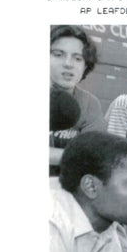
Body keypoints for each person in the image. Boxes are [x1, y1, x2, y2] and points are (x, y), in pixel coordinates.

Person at [49, 25, 105, 167]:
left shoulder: (90, 104)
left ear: (85, 66)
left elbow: (94, 154)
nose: (68, 64)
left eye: (78, 58)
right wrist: (75, 157)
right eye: (58, 55)